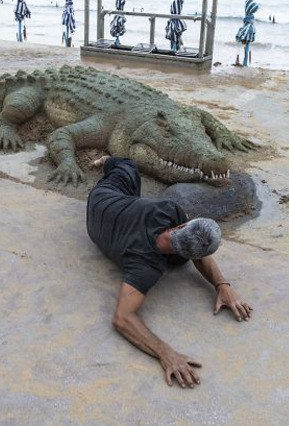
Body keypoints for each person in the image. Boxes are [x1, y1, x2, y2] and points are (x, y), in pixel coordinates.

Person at [86, 156, 252, 389]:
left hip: (108, 204)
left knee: (130, 168)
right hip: (106, 195)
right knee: (125, 166)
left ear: (182, 225)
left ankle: (113, 165)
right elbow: (122, 318)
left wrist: (222, 284)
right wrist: (166, 354)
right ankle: (104, 160)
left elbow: (197, 255)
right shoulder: (146, 267)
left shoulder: (168, 211)